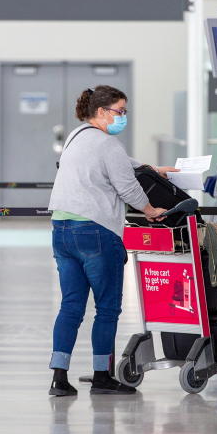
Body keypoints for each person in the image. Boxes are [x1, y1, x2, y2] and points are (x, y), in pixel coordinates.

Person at [47, 85, 177, 396]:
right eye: (120, 111)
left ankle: (59, 377)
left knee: (71, 306)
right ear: (103, 112)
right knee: (106, 309)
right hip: (94, 232)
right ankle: (102, 375)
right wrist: (151, 210)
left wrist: (149, 169)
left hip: (62, 229)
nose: (123, 117)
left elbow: (117, 162)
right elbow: (128, 188)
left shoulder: (76, 136)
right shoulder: (109, 145)